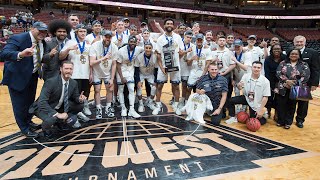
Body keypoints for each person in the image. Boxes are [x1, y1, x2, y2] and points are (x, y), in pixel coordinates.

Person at [0, 21, 48, 137]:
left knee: (29, 103)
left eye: (45, 31)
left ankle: (28, 122)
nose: (42, 33)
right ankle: (24, 128)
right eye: (40, 30)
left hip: (32, 75)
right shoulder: (19, 38)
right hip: (17, 76)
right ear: (32, 28)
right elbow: (3, 54)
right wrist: (20, 54)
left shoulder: (42, 42)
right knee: (19, 105)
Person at [29, 61, 86, 140]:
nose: (68, 71)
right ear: (60, 69)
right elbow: (42, 102)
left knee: (80, 106)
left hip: (58, 105)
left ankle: (59, 122)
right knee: (52, 118)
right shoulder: (51, 82)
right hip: (42, 107)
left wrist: (79, 99)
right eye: (66, 68)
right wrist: (57, 114)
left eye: (70, 69)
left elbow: (75, 97)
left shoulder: (73, 83)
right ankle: (46, 130)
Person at [59, 24, 92, 119]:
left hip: (85, 73)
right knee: (73, 95)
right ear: (76, 32)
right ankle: (74, 113)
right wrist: (69, 49)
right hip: (73, 74)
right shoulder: (70, 42)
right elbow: (61, 56)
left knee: (85, 93)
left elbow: (91, 60)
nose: (83, 33)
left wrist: (91, 73)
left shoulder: (88, 44)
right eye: (81, 31)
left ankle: (84, 107)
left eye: (84, 31)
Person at [152, 18, 184, 115]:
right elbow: (158, 55)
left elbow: (181, 52)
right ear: (164, 26)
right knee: (160, 85)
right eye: (167, 24)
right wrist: (161, 67)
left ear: (173, 26)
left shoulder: (178, 37)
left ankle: (176, 105)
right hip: (164, 66)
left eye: (171, 23)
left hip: (175, 66)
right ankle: (157, 105)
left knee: (176, 86)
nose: (169, 25)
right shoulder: (160, 39)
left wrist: (180, 56)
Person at [275, 48, 310, 129]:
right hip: (283, 87)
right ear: (289, 55)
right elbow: (278, 73)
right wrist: (287, 81)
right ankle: (280, 121)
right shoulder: (283, 63)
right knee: (281, 105)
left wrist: (293, 84)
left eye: (296, 54)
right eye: (292, 54)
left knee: (292, 106)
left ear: (299, 55)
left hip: (297, 88)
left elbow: (306, 76)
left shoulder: (304, 64)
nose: (294, 55)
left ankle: (288, 122)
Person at [292, 35, 319, 128]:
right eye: (297, 42)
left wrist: (315, 83)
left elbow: (316, 69)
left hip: (305, 83)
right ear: (294, 42)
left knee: (303, 103)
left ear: (305, 42)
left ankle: (300, 120)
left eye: (301, 42)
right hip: (292, 82)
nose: (299, 43)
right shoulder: (290, 52)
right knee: (291, 102)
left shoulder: (313, 53)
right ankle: (289, 119)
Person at [89, 30, 118, 119]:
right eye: (106, 36)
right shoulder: (95, 45)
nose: (107, 38)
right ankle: (98, 108)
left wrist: (112, 78)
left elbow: (114, 64)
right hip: (96, 72)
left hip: (107, 72)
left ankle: (108, 107)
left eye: (109, 37)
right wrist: (103, 58)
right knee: (97, 90)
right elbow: (91, 62)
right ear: (102, 36)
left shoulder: (114, 47)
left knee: (109, 90)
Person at [116, 35, 144, 118]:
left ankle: (131, 110)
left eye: (134, 42)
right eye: (131, 42)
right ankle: (123, 108)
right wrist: (121, 77)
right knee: (120, 90)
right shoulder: (121, 51)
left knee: (132, 89)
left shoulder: (139, 49)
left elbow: (147, 50)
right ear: (128, 42)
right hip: (121, 71)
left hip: (130, 71)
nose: (132, 43)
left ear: (136, 43)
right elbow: (118, 65)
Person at [230, 39, 253, 113]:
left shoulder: (247, 54)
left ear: (242, 46)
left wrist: (236, 61)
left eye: (238, 46)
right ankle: (237, 109)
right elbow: (231, 67)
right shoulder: (233, 53)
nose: (237, 48)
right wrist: (232, 78)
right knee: (236, 93)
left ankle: (244, 109)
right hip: (236, 76)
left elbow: (246, 68)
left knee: (245, 94)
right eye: (235, 46)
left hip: (246, 77)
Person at [264, 43, 286, 119]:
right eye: (275, 49)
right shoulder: (268, 59)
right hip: (270, 80)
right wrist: (270, 84)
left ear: (281, 50)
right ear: (272, 50)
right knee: (269, 97)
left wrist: (282, 82)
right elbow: (267, 72)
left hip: (282, 81)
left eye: (278, 49)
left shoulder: (285, 58)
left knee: (279, 99)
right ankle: (268, 111)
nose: (276, 50)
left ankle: (277, 113)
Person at [134, 41, 157, 112]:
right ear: (144, 48)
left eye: (150, 48)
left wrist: (155, 81)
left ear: (152, 48)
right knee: (139, 87)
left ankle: (150, 102)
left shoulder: (155, 56)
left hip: (150, 74)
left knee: (154, 87)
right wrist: (138, 81)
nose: (148, 49)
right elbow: (136, 70)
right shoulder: (139, 57)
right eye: (146, 48)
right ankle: (141, 104)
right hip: (141, 73)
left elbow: (156, 69)